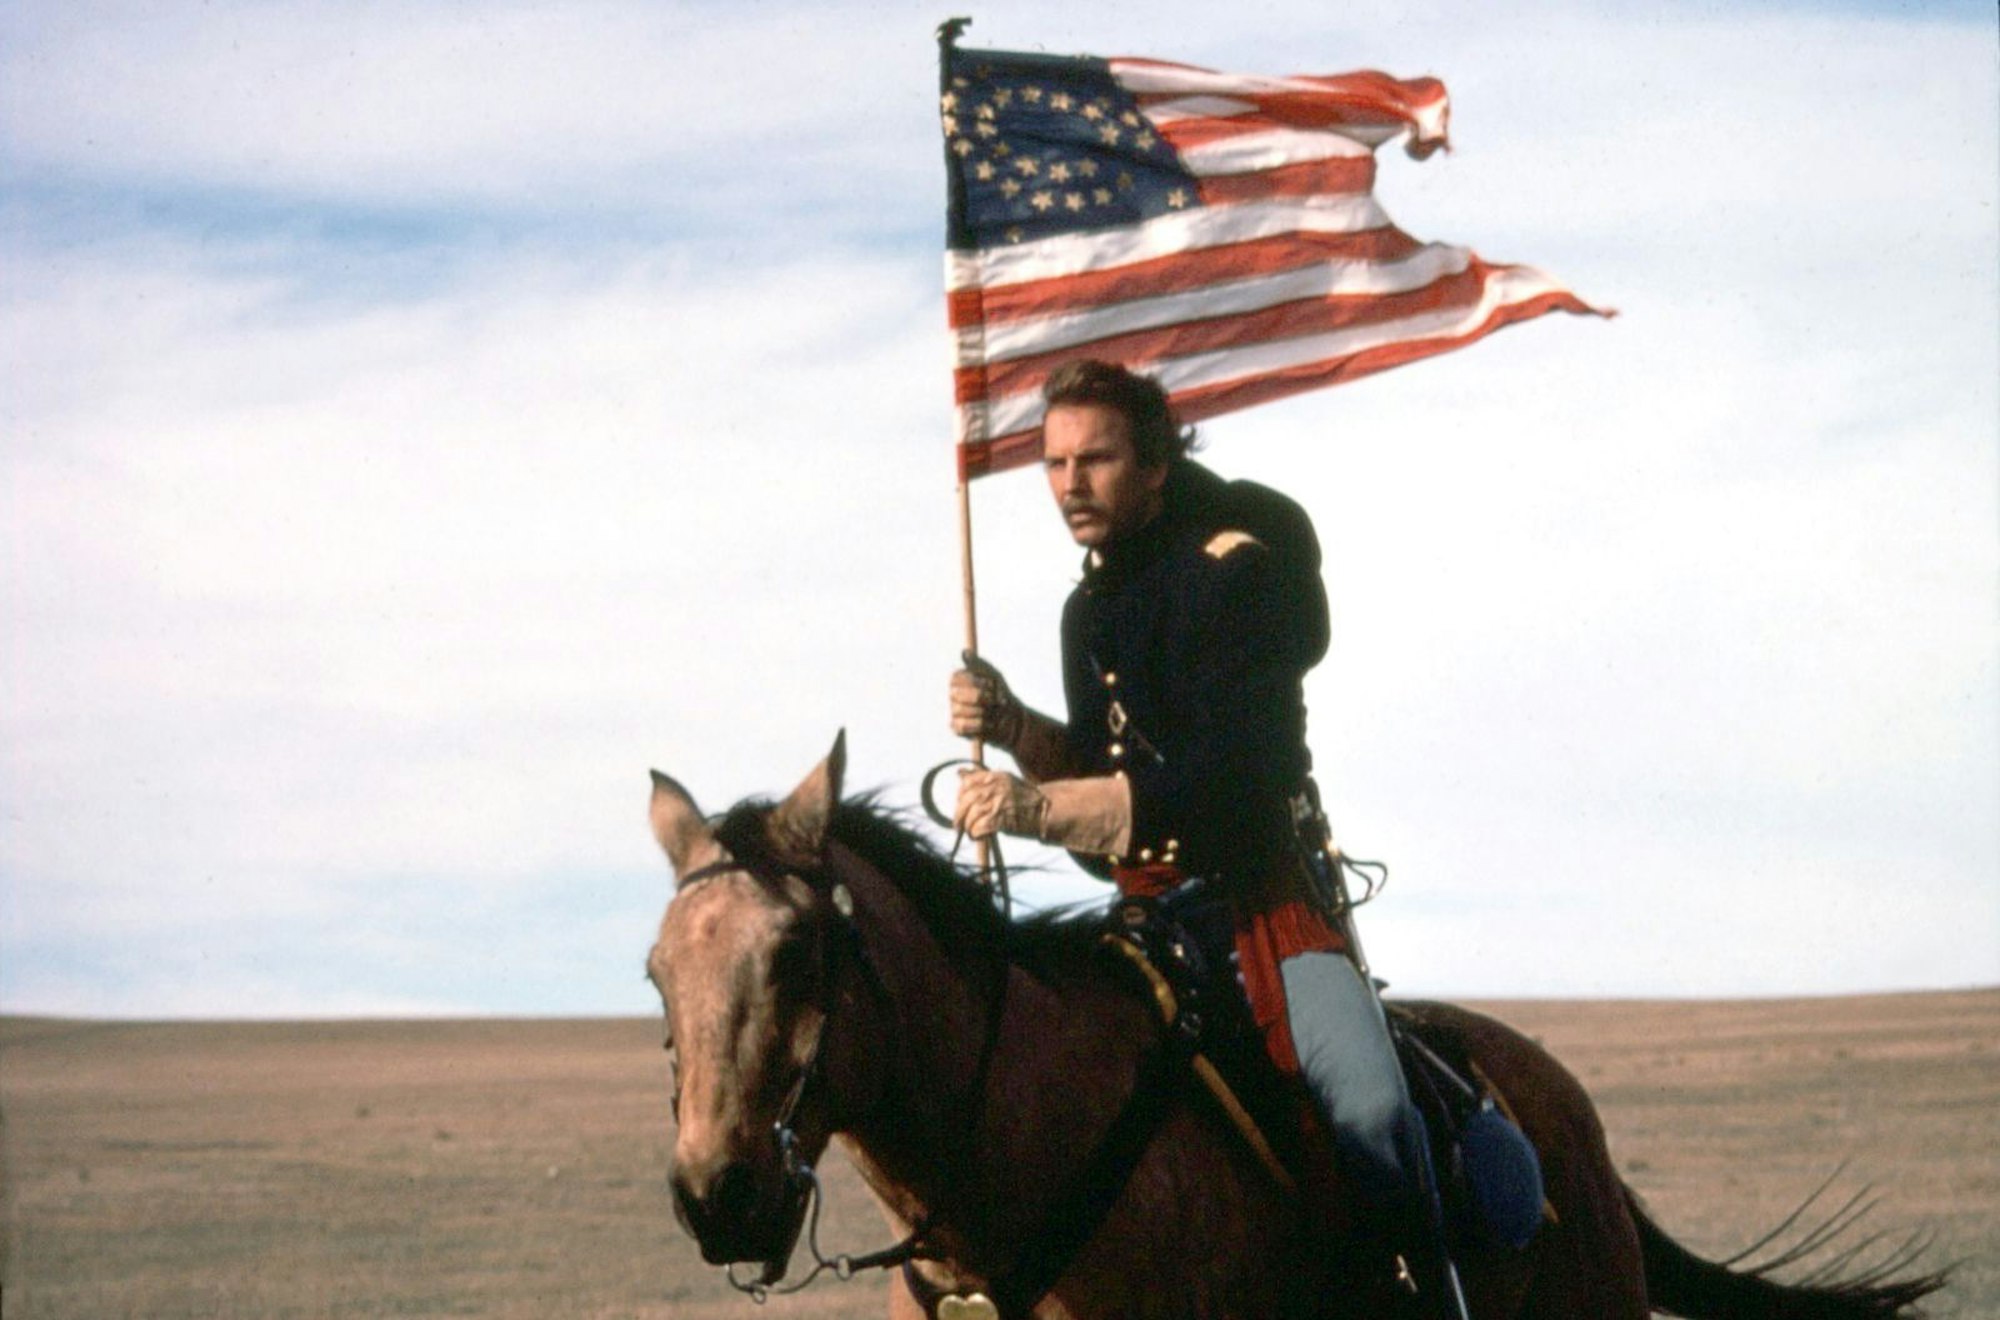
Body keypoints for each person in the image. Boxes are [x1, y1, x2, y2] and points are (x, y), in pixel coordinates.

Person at [948, 358, 1467, 1320]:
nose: (1070, 485)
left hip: (1263, 905)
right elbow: (1108, 792)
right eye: (1054, 463)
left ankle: (1428, 1297)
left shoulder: (1236, 575)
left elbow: (1227, 783)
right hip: (1144, 917)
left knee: (1369, 1108)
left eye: (1095, 459)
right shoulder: (1086, 609)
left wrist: (1033, 808)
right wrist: (1020, 731)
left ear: (1154, 464)